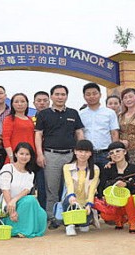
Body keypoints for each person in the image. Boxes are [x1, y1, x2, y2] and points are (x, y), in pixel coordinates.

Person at [35, 85, 85, 229]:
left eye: (63, 94)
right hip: (51, 156)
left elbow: (79, 133)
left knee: (72, 187)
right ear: (51, 96)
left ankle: (73, 216)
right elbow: (38, 134)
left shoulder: (73, 113)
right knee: (52, 189)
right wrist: (40, 154)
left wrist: (81, 152)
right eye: (57, 94)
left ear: (67, 96)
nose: (60, 97)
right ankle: (52, 218)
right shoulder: (43, 114)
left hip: (71, 155)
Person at [0, 142, 47, 238]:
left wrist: (14, 200)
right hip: (6, 205)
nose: (24, 157)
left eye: (27, 154)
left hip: (19, 202)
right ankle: (17, 229)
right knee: (30, 200)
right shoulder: (8, 168)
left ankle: (26, 228)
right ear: (16, 154)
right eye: (21, 154)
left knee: (41, 213)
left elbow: (26, 190)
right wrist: (11, 208)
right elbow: (5, 189)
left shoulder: (30, 174)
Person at [98, 142, 135, 233]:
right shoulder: (108, 168)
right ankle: (119, 220)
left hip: (132, 204)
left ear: (125, 152)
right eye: (111, 153)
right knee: (105, 216)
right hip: (114, 201)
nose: (115, 154)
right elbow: (101, 186)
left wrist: (126, 185)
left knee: (129, 198)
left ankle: (132, 223)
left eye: (118, 151)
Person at [61, 140, 100, 236]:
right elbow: (69, 184)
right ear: (75, 152)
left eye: (86, 152)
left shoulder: (95, 169)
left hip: (85, 203)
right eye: (80, 151)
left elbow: (92, 190)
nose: (83, 154)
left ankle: (85, 220)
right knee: (69, 201)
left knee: (84, 228)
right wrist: (71, 196)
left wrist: (89, 204)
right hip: (72, 200)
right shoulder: (67, 167)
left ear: (90, 153)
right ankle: (70, 224)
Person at [79, 82, 120, 169]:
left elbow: (114, 133)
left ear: (100, 95)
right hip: (88, 154)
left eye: (94, 93)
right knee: (89, 180)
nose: (91, 96)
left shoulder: (109, 113)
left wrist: (114, 152)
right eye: (88, 94)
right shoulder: (80, 114)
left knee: (107, 180)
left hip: (106, 154)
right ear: (84, 96)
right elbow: (79, 133)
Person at [2, 93, 35, 164]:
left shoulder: (30, 119)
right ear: (12, 104)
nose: (20, 104)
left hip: (29, 156)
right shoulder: (9, 119)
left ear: (27, 103)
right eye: (16, 102)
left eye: (23, 101)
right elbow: (6, 139)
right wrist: (11, 156)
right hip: (16, 156)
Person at [31, 91, 50, 211]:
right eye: (39, 101)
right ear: (34, 103)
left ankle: (44, 211)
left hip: (47, 155)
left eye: (44, 100)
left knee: (44, 186)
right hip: (30, 156)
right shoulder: (30, 119)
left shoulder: (53, 117)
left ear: (49, 102)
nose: (42, 103)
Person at [118, 88, 135, 164]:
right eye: (125, 98)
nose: (128, 99)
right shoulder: (120, 115)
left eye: (130, 97)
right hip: (123, 150)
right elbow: (116, 132)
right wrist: (120, 141)